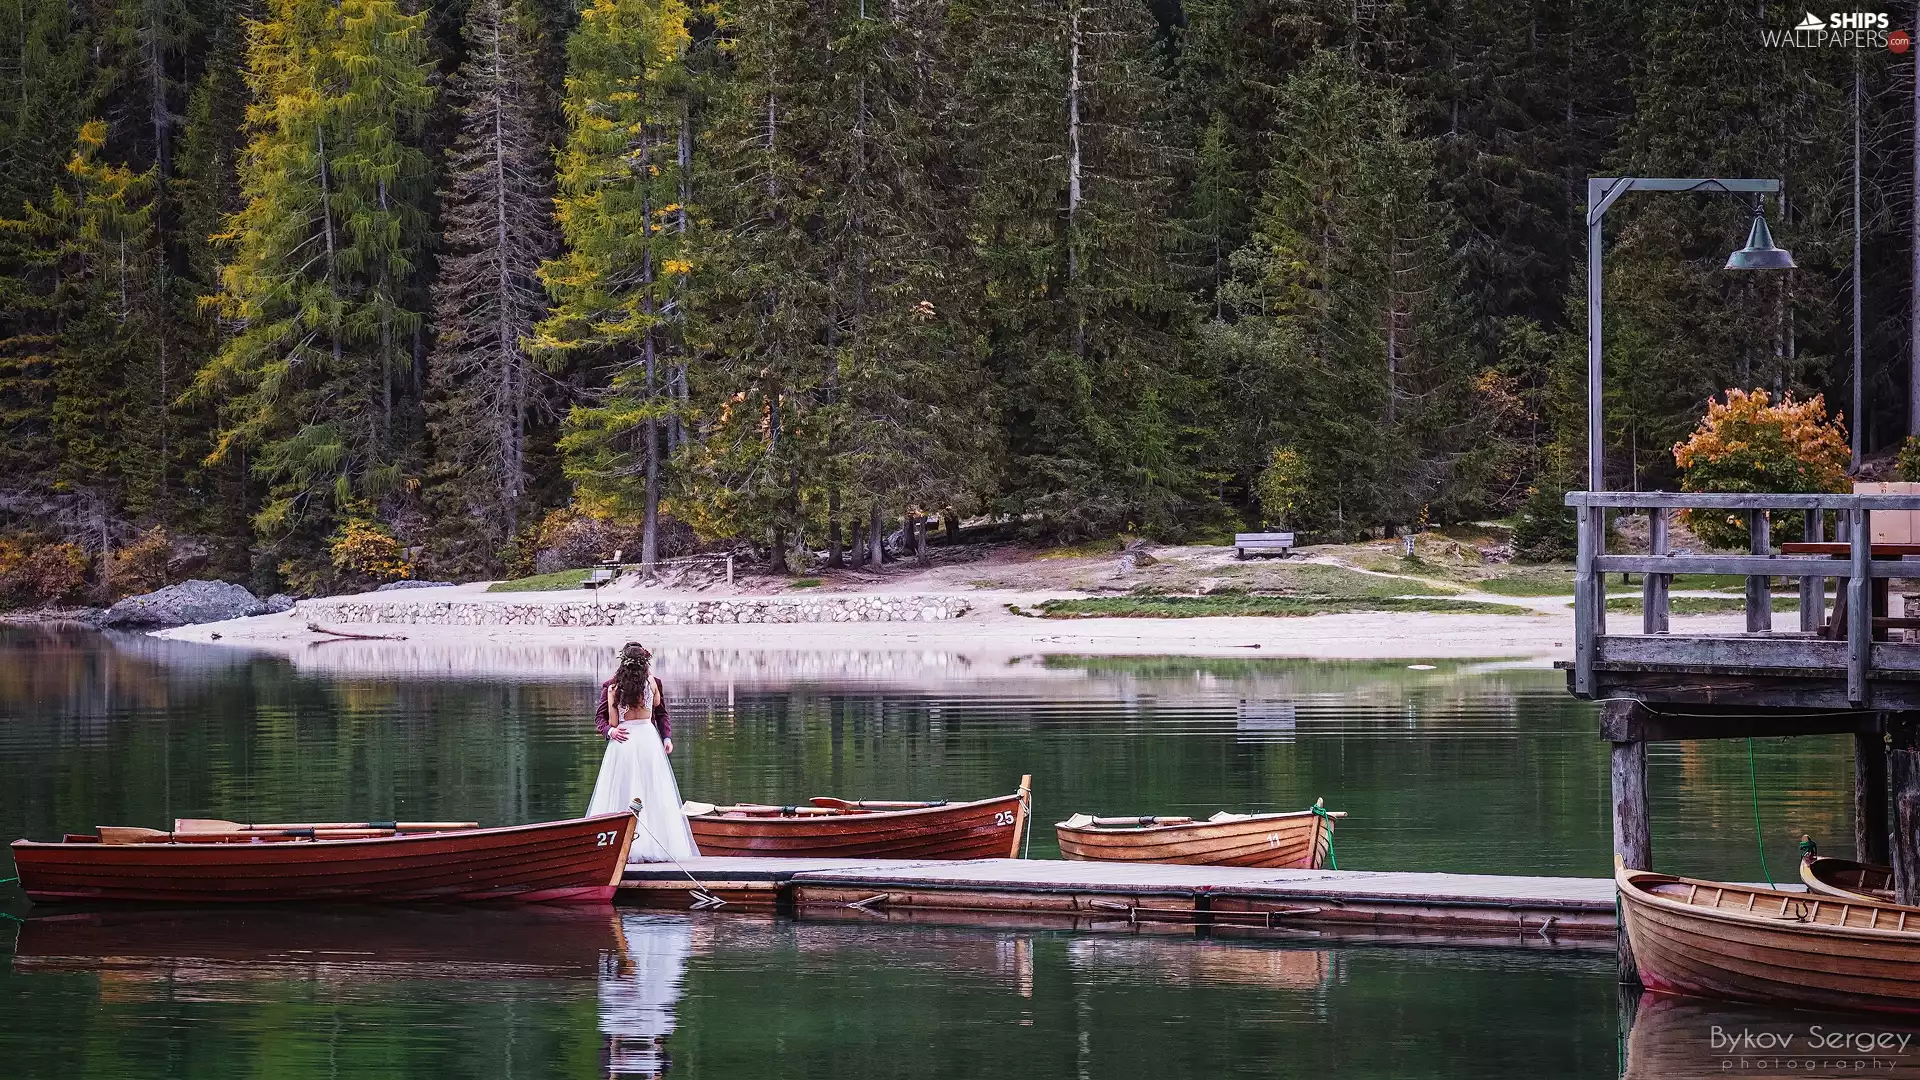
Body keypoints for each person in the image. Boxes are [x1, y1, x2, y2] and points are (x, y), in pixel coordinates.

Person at [587, 642, 699, 862]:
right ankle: (626, 845)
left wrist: (667, 737)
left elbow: (661, 714)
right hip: (635, 740)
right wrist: (610, 732)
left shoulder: (638, 685)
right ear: (645, 663)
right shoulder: (613, 686)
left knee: (647, 789)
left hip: (635, 743)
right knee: (640, 789)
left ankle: (647, 844)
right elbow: (600, 720)